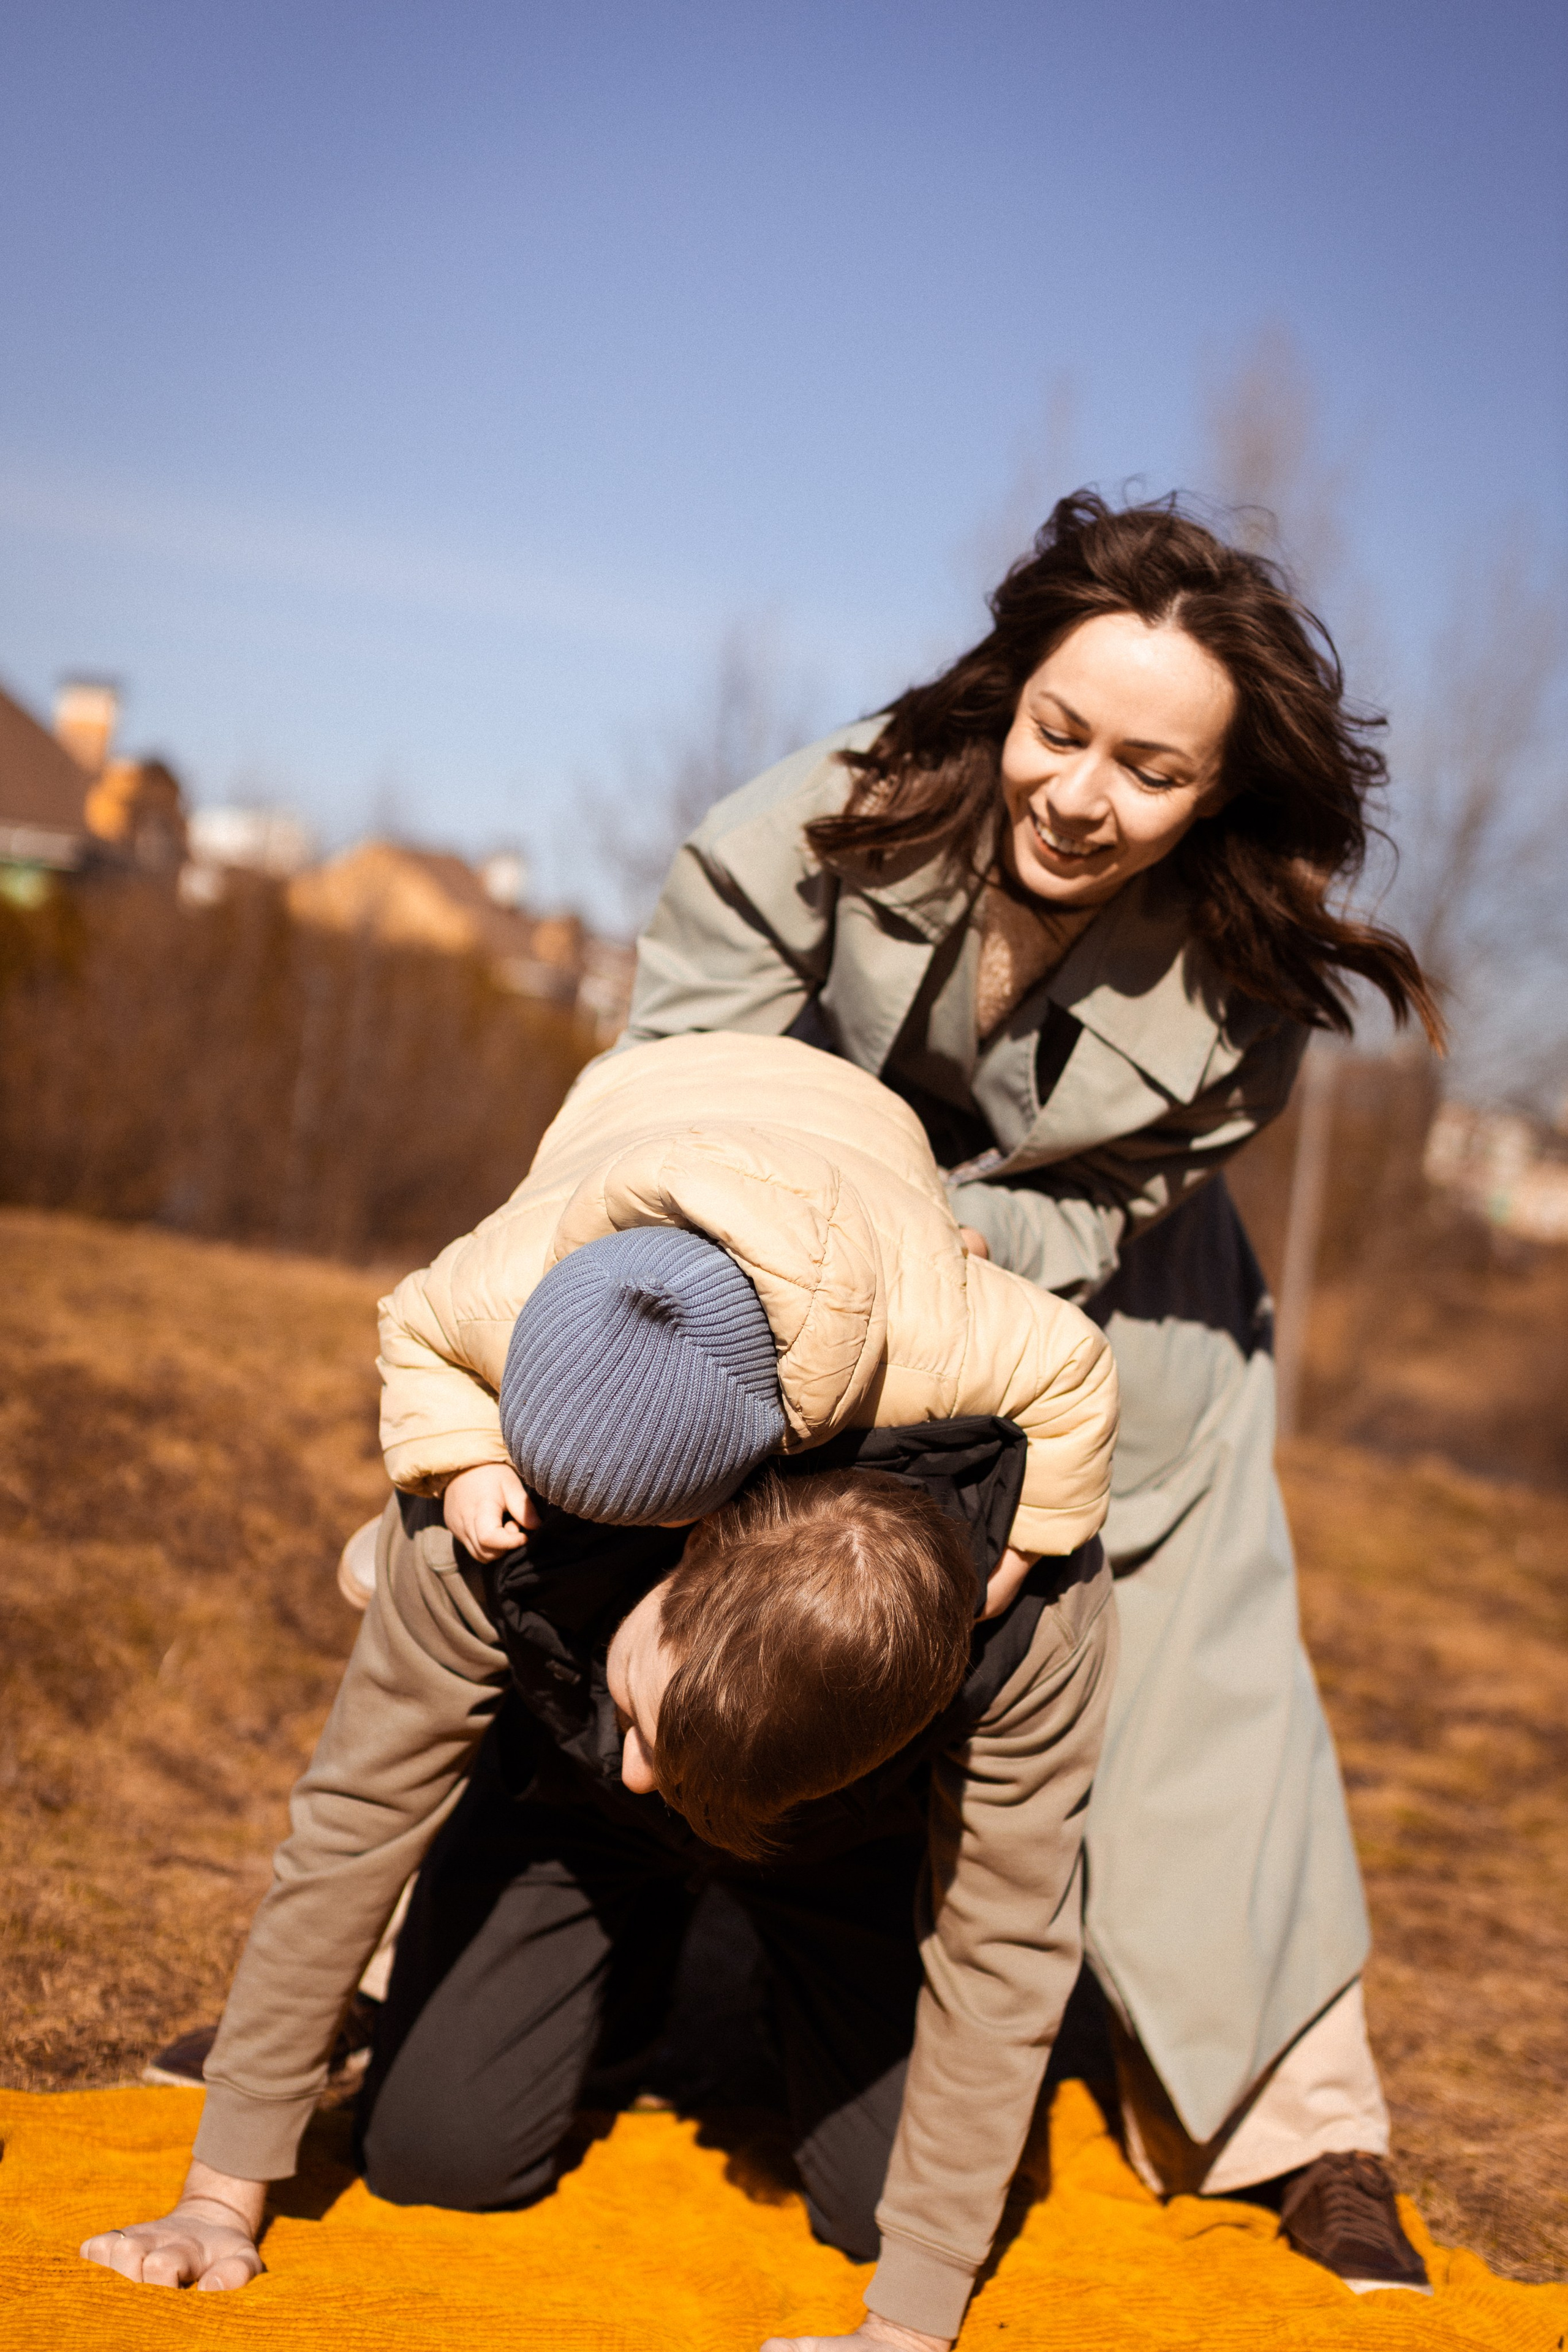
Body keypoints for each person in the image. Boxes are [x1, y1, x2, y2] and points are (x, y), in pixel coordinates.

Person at [618, 492, 1444, 2301]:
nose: (1081, 796)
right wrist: (834, 1246)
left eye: (1149, 770)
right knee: (588, 1451)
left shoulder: (1249, 983)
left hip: (1117, 1302)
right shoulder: (816, 820)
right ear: (1011, 697)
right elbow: (666, 1088)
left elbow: (1104, 1199)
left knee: (1186, 1659)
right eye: (1059, 735)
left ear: (1216, 795)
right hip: (763, 1231)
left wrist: (944, 1256)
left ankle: (1304, 2119)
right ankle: (379, 1987)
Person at [83, 1029, 1121, 2350]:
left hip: (836, 1834)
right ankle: (608, 1960)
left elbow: (1004, 1944)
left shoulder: (1035, 1612)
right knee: (436, 2153)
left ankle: (780, 1949)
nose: (647, 1766)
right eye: (645, 1714)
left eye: (661, 1749)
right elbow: (351, 1825)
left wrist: (906, 2326)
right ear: (686, 1547)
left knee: (880, 2215)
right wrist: (216, 2202)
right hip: (555, 1770)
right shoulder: (520, 1466)